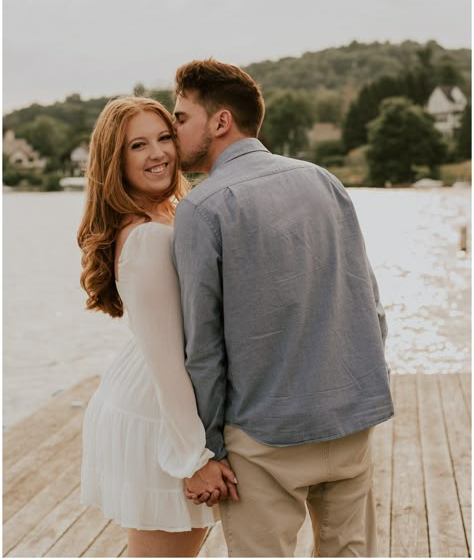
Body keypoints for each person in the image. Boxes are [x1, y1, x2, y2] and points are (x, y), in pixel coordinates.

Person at [172, 59, 395, 558]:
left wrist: (206, 449)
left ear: (220, 121)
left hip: (265, 437)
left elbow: (202, 348)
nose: (174, 129)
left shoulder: (202, 207)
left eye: (182, 117)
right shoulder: (324, 180)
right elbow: (370, 301)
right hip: (351, 422)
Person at [77, 96, 238, 558]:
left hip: (162, 400)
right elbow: (169, 362)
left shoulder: (174, 211)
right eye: (138, 146)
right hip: (158, 412)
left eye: (164, 137)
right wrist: (193, 458)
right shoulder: (146, 237)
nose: (159, 154)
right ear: (115, 160)